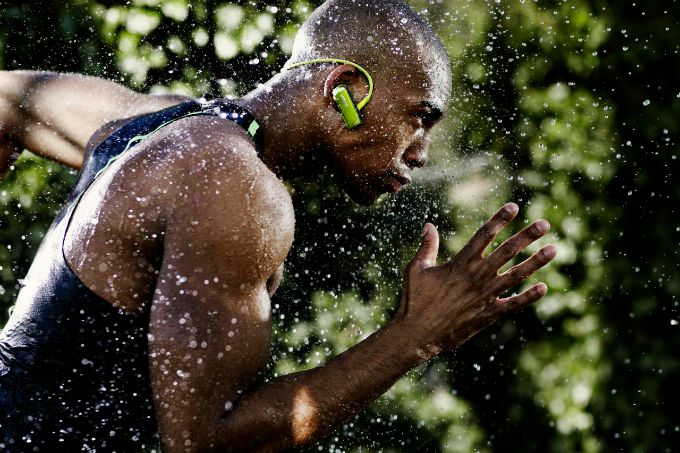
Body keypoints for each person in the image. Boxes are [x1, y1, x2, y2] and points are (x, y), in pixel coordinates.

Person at [0, 0, 557, 451]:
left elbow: (10, 100)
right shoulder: (235, 187)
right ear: (348, 89)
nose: (421, 153)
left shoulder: (159, 121)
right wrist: (416, 337)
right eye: (419, 118)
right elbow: (204, 445)